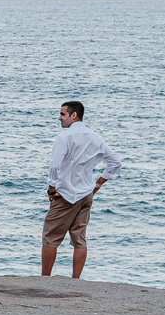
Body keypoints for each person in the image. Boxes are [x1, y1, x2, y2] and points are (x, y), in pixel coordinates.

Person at [41, 100, 122, 279]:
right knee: (79, 239)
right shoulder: (95, 137)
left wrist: (51, 188)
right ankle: (76, 280)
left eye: (62, 114)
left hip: (66, 194)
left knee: (50, 237)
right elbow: (115, 162)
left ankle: (45, 279)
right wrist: (99, 183)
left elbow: (54, 165)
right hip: (86, 194)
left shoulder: (65, 137)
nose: (59, 118)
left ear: (74, 115)